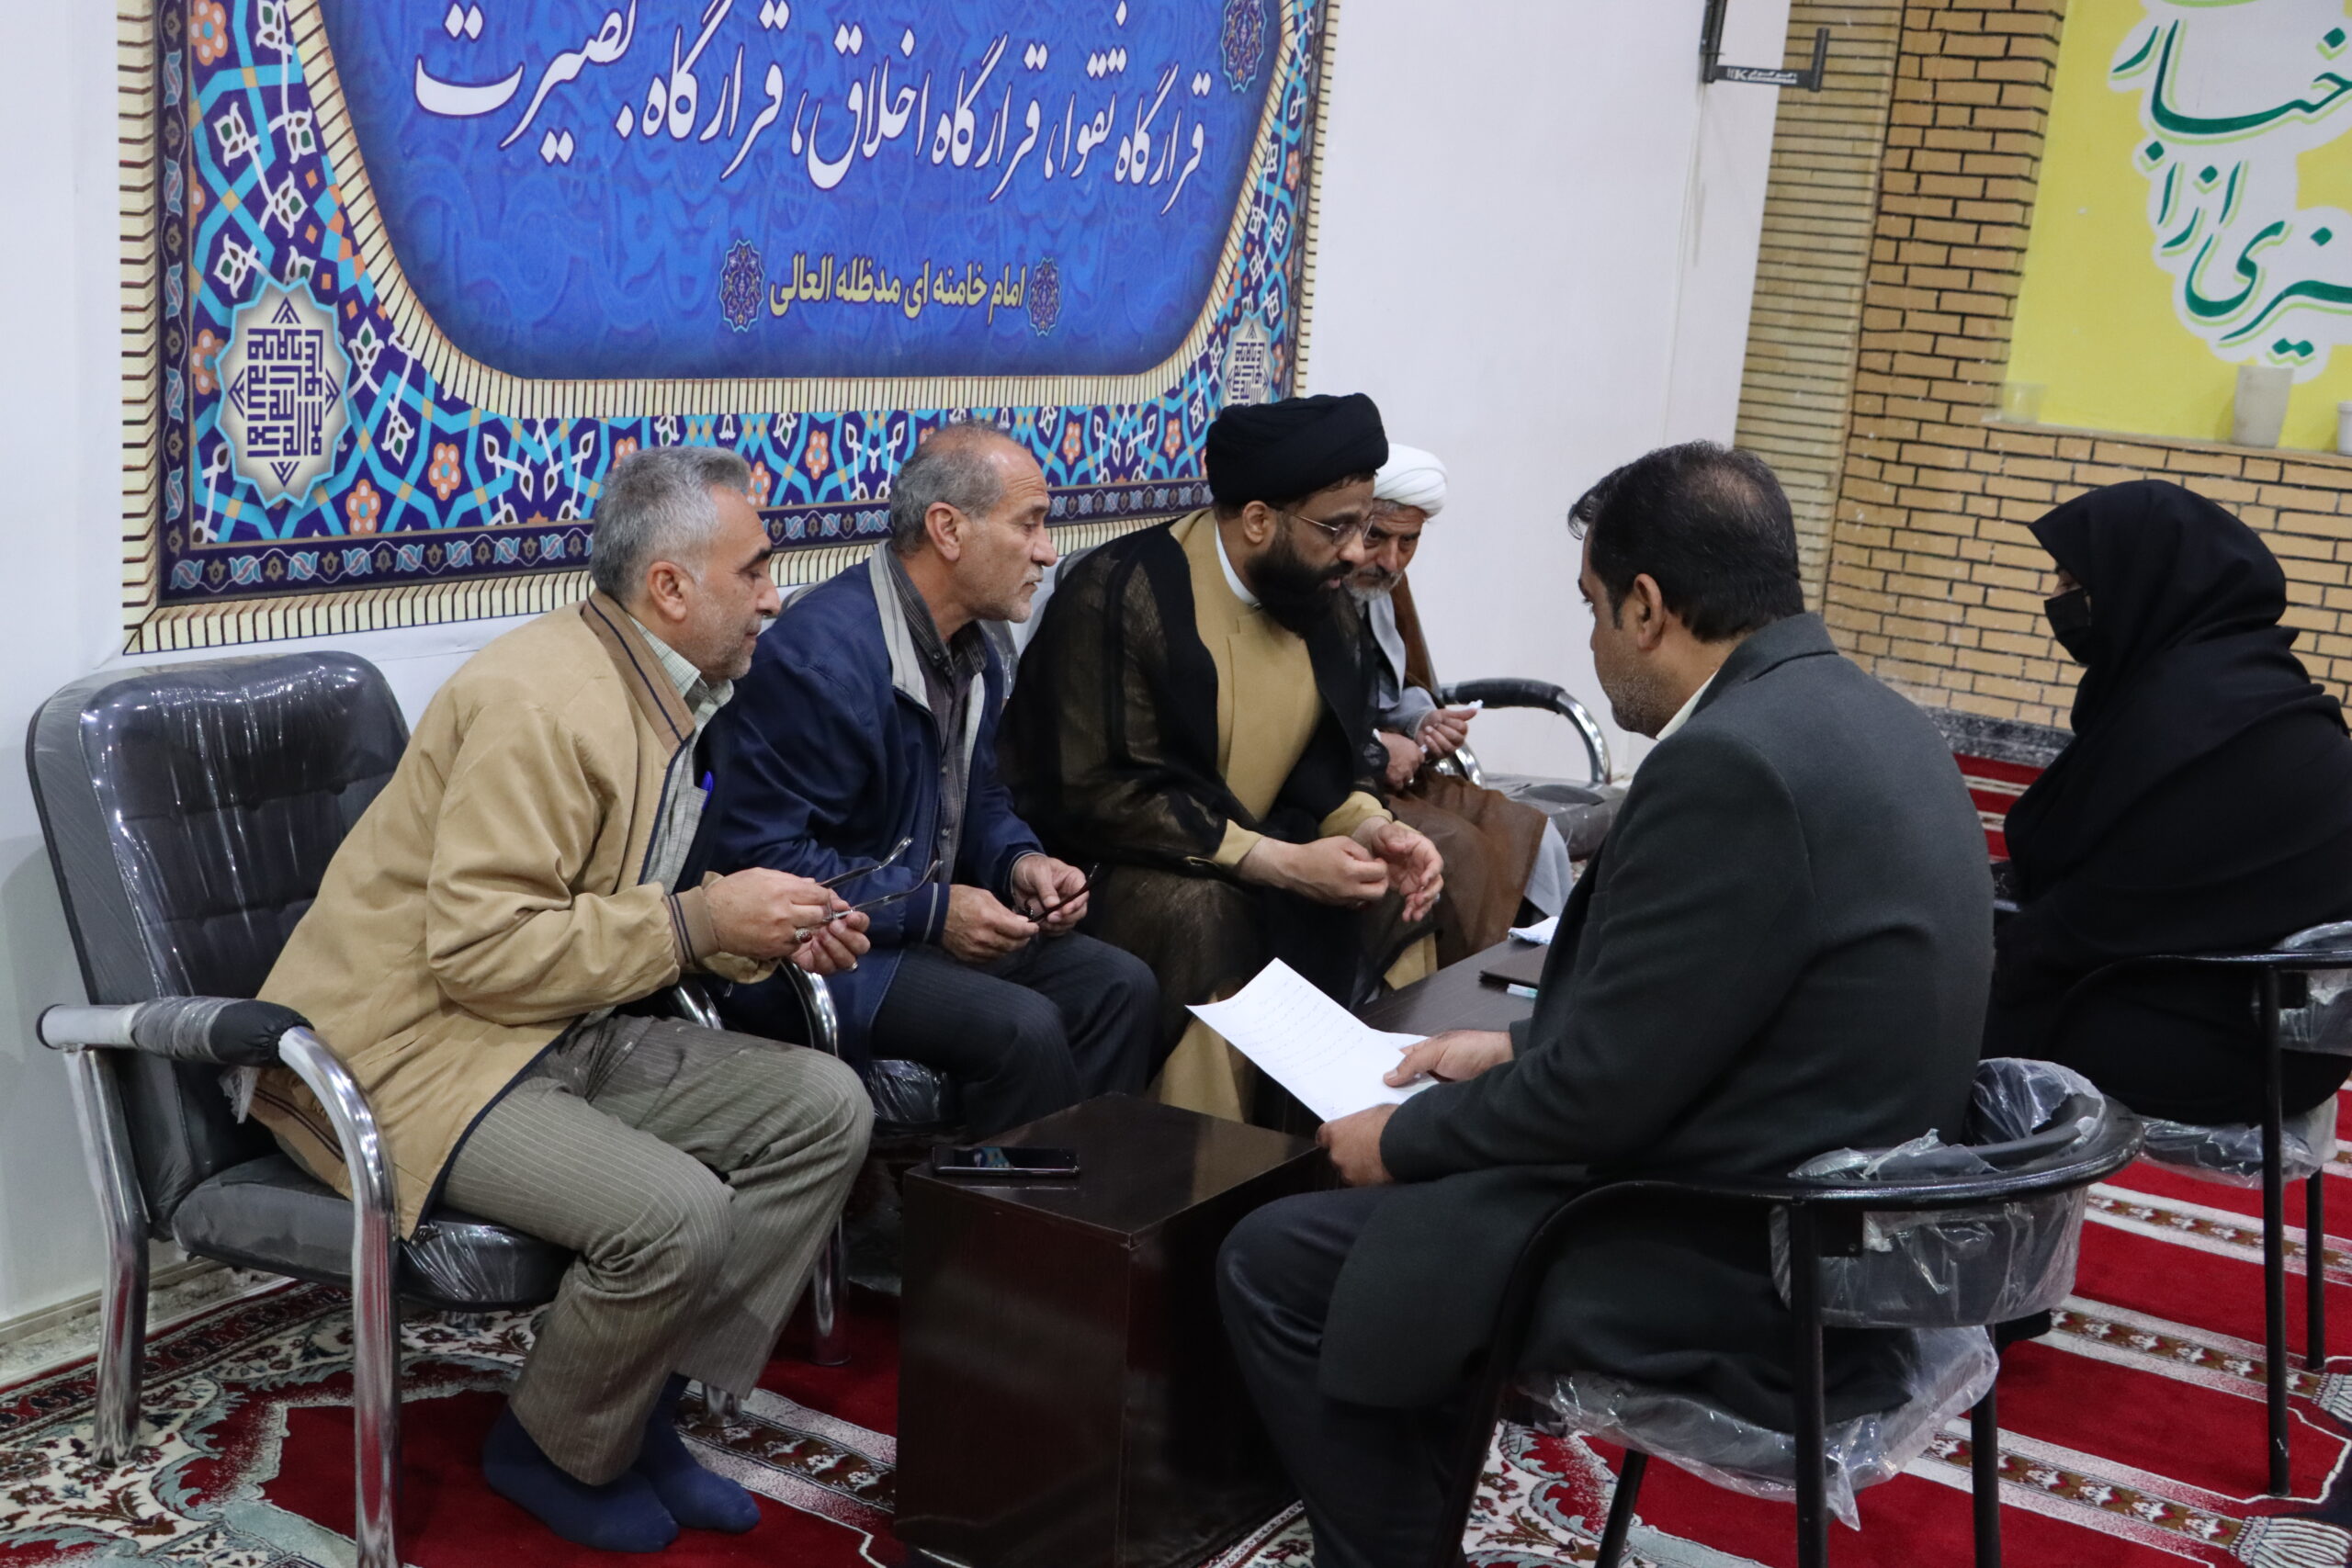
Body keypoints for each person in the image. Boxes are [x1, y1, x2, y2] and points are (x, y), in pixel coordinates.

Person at [1215, 441, 1992, 1568]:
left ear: (1646, 607)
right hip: (1842, 1229)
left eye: (1590, 607)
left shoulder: (1730, 764)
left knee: (1281, 1259)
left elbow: (1606, 1095)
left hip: (1737, 1252)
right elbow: (1723, 1008)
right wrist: (1511, 1050)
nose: (1588, 642)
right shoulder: (1873, 717)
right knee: (1406, 1230)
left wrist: (1401, 1140)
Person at [250, 446, 875, 1553]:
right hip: (408, 1055)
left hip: (545, 1029)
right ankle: (547, 1446)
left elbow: (620, 916)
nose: (775, 596)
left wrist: (750, 933)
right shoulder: (541, 702)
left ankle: (638, 1409)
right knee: (673, 1211)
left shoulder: (664, 693)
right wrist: (700, 923)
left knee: (824, 1108)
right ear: (669, 587)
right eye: (754, 568)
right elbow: (483, 952)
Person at [695, 423, 1164, 1137]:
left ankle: (1080, 1199)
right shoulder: (820, 662)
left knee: (1120, 986)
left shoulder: (979, 647)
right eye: (1029, 524)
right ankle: (993, 1208)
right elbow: (764, 858)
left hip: (910, 927)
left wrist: (1020, 862)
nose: (1047, 550)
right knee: (1024, 1027)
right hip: (818, 952)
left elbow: (979, 798)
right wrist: (937, 912)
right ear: (948, 529)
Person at [999, 392, 1444, 1122]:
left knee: (1393, 888)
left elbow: (1333, 762)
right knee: (1202, 915)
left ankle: (1381, 1137)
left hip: (1268, 848)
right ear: (1259, 520)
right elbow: (1099, 794)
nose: (1358, 551)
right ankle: (1205, 1169)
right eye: (1338, 527)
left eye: (1364, 526)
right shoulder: (1123, 593)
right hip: (1108, 872)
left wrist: (1372, 829)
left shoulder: (1321, 593)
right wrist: (1276, 861)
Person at [1985, 479, 2352, 1123]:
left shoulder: (2185, 719)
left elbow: (2083, 918)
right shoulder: (2257, 686)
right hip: (2284, 1036)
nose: (2059, 601)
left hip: (2216, 1047)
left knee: (1943, 1010)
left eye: (2075, 584)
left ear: (2144, 586)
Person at [1351, 444, 1575, 960]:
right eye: (1376, 536)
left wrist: (1422, 720)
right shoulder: (1315, 585)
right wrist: (1376, 748)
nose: (1390, 561)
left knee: (1539, 839)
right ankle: (1468, 998)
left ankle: (1549, 979)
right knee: (1463, 854)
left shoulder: (1384, 584)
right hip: (1342, 785)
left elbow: (1392, 685)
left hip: (1400, 778)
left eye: (1408, 542)